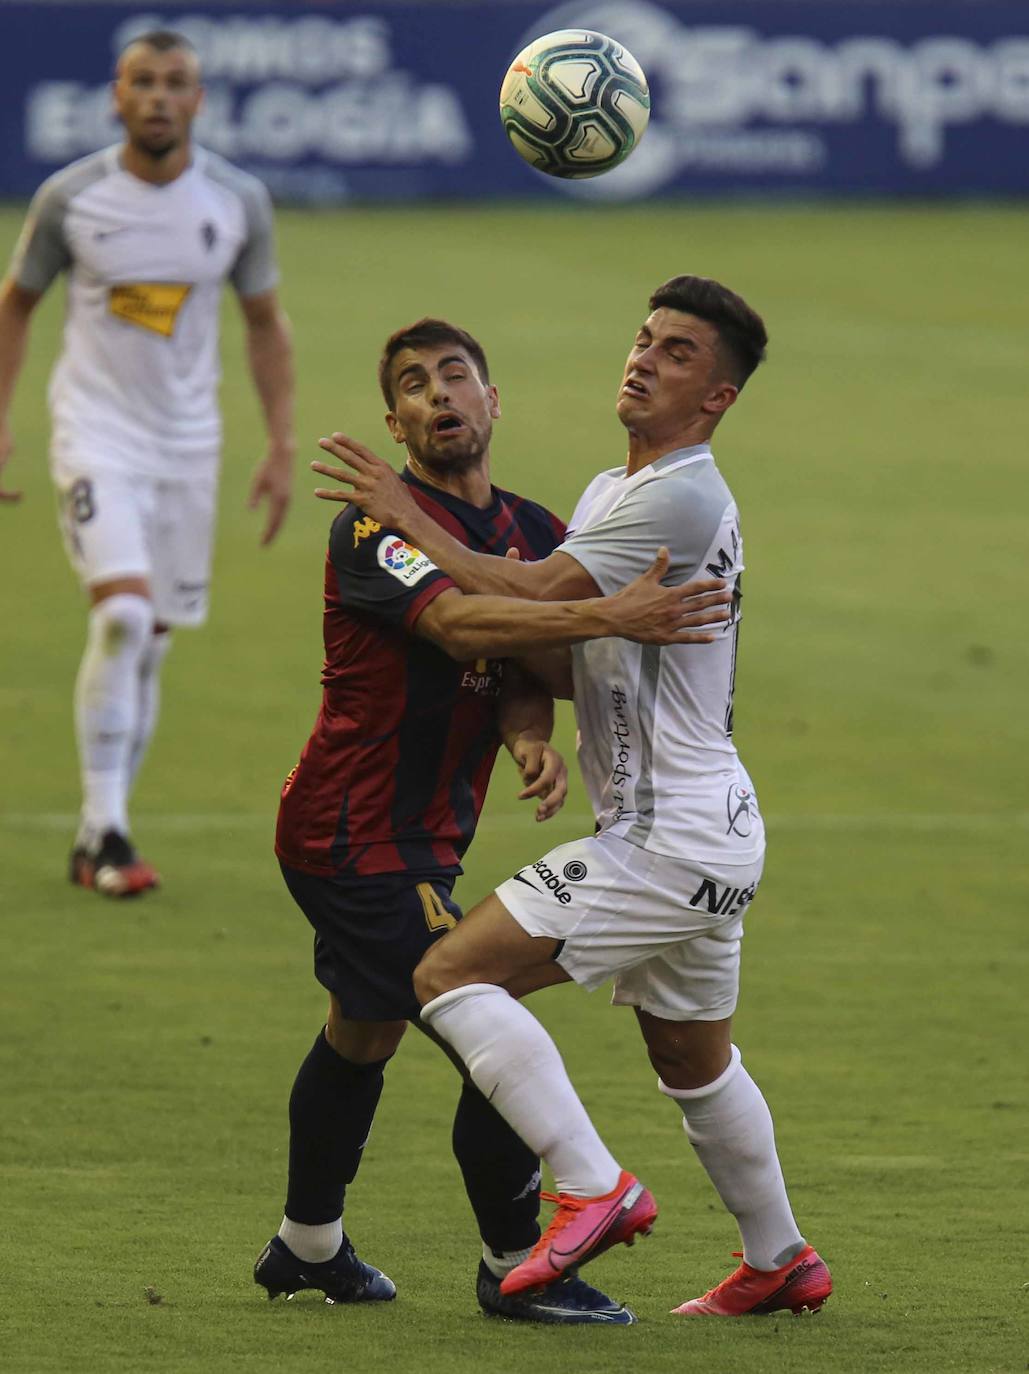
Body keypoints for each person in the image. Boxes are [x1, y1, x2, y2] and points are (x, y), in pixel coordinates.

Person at [311, 276, 833, 1318]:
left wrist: (405, 513)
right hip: (712, 827)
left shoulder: (683, 491)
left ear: (718, 395)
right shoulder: (611, 491)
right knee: (691, 1057)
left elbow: (534, 597)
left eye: (678, 352)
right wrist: (533, 728)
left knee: (450, 975)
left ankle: (591, 1185)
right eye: (644, 339)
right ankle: (778, 1259)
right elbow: (572, 648)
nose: (643, 359)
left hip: (668, 832)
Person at [255, 317, 731, 1322]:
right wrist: (611, 615)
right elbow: (463, 624)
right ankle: (518, 1262)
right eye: (415, 385)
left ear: (492, 398)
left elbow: (529, 664)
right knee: (484, 1006)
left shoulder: (528, 529)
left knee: (363, 1030)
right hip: (350, 834)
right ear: (396, 420)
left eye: (456, 375)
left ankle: (307, 1245)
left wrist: (523, 732)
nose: (439, 394)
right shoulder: (376, 523)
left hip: (421, 833)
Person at [0, 30, 295, 896]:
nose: (158, 97)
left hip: (188, 447)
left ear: (198, 100)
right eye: (142, 83)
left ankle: (103, 834)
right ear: (116, 97)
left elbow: (266, 324)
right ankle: (106, 831)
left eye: (175, 83)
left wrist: (279, 445)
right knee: (122, 621)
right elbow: (16, 305)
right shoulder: (71, 199)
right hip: (94, 434)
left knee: (152, 641)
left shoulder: (237, 201)